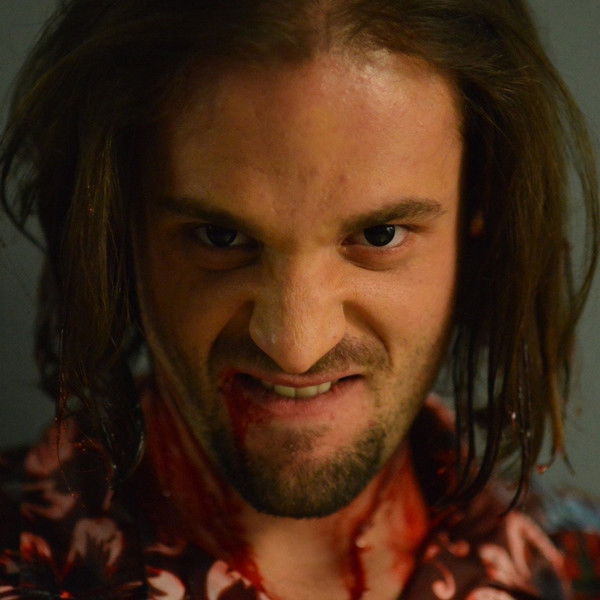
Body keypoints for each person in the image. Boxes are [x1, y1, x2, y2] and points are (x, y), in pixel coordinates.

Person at [0, 1, 599, 598]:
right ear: (118, 225)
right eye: (221, 238)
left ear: (479, 212)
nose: (296, 346)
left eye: (379, 236)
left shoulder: (578, 570)